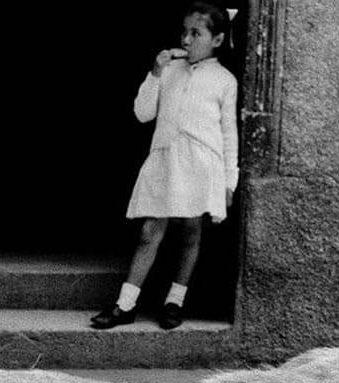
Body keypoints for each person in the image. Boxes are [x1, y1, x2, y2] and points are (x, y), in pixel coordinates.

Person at [91, 3, 238, 331]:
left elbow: (229, 133)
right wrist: (155, 72)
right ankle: (125, 304)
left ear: (216, 40)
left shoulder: (224, 81)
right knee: (150, 231)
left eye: (196, 33)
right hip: (166, 158)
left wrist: (230, 180)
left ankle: (175, 301)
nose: (187, 39)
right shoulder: (169, 71)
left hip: (201, 163)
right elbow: (142, 113)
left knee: (190, 232)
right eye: (184, 32)